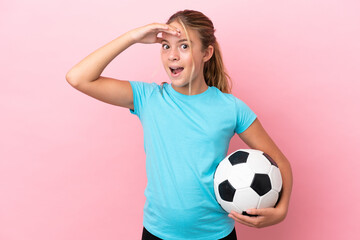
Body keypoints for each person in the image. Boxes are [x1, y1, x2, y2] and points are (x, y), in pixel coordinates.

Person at [66, 9, 293, 240]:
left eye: (184, 46)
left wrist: (281, 210)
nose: (172, 55)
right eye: (166, 46)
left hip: (215, 235)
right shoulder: (148, 98)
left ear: (207, 53)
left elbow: (280, 161)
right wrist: (133, 37)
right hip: (157, 233)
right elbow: (78, 77)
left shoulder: (231, 108)